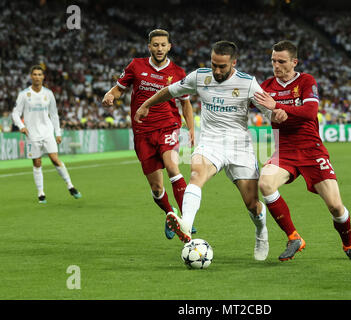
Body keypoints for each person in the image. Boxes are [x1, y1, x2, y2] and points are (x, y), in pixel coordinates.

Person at [135, 41, 288, 261]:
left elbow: (270, 110)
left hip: (239, 146)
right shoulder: (199, 77)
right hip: (211, 142)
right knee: (196, 174)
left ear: (233, 63)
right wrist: (146, 104)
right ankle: (186, 224)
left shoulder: (248, 83)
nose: (216, 71)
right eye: (214, 65)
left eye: (222, 67)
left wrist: (279, 113)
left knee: (252, 204)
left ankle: (261, 231)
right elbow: (170, 90)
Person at [254, 40, 351, 261]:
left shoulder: (306, 81)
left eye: (281, 61)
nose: (276, 65)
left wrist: (278, 107)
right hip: (284, 150)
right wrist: (271, 113)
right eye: (273, 61)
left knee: (335, 205)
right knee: (265, 184)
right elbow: (250, 104)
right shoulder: (266, 86)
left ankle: (349, 245)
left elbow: (309, 111)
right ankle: (294, 237)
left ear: (294, 62)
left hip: (311, 150)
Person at [102, 29, 196, 240]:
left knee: (173, 167)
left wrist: (190, 128)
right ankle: (170, 213)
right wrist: (109, 95)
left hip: (168, 126)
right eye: (155, 45)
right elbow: (118, 89)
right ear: (149, 47)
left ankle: (187, 220)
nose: (159, 48)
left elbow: (186, 103)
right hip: (142, 131)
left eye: (163, 45)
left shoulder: (179, 73)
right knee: (156, 187)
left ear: (169, 46)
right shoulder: (136, 66)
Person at [11, 65, 82, 204]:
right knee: (37, 163)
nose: (37, 77)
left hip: (47, 132)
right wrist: (21, 126)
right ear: (31, 76)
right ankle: (41, 193)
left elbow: (54, 114)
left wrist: (58, 132)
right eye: (35, 74)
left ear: (43, 77)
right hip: (32, 134)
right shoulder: (24, 94)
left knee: (54, 159)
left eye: (39, 74)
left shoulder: (48, 93)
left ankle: (70, 186)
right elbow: (15, 113)